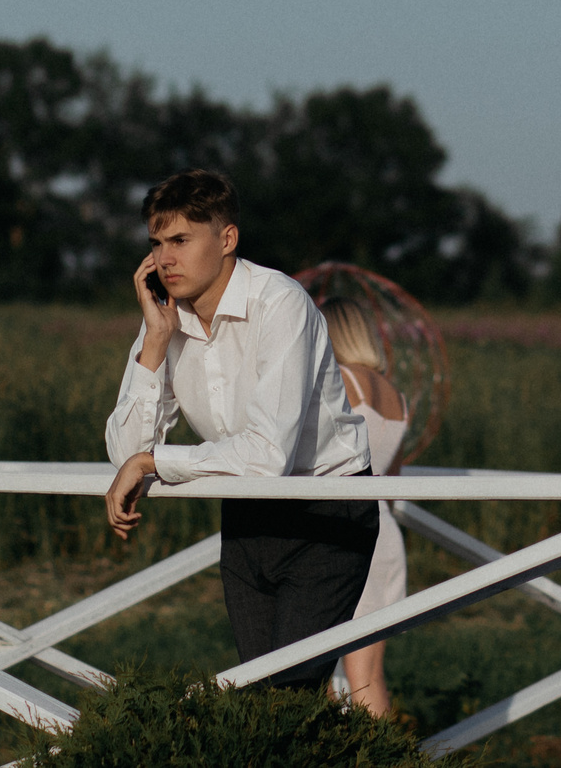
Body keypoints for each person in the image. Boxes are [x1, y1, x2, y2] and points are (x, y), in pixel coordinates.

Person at [103, 169, 376, 688]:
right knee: (260, 701)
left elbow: (268, 455)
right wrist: (155, 343)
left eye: (180, 240)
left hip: (327, 510)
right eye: (156, 244)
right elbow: (125, 453)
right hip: (247, 514)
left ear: (227, 239)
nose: (164, 259)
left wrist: (154, 462)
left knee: (286, 693)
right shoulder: (162, 318)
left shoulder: (281, 302)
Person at [322, 300, 408, 719]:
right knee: (370, 676)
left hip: (347, 529)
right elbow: (393, 482)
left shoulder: (338, 380)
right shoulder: (395, 395)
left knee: (325, 671)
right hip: (385, 530)